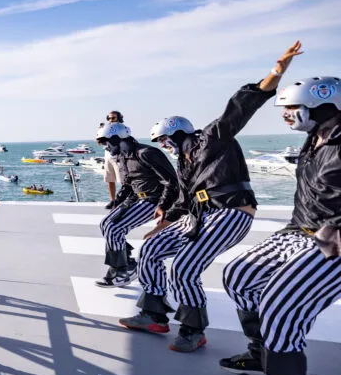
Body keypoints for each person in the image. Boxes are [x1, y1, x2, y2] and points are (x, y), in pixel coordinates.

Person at [119, 42, 303, 353]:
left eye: (164, 139)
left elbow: (241, 107)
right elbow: (185, 201)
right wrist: (165, 218)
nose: (163, 145)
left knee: (184, 267)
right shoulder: (184, 164)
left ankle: (193, 329)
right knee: (151, 248)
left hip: (232, 213)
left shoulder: (212, 137)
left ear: (179, 133)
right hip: (201, 218)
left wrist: (277, 72)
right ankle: (154, 315)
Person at [221, 65, 339, 375]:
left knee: (281, 299)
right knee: (240, 276)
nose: (287, 116)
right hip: (301, 228)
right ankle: (263, 351)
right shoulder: (317, 137)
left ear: (322, 106)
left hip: (334, 238)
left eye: (292, 108)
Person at [94, 122, 179, 287]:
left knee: (115, 228)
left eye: (106, 142)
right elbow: (128, 185)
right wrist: (117, 203)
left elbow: (172, 181)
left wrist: (163, 205)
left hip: (154, 199)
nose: (105, 147)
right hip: (137, 199)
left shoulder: (147, 153)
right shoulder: (122, 157)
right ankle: (128, 263)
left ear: (118, 138)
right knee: (106, 224)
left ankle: (122, 271)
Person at [103, 111, 126, 205]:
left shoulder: (123, 128)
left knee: (123, 181)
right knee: (109, 180)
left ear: (119, 118)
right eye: (109, 118)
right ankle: (113, 200)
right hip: (108, 155)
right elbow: (100, 142)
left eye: (113, 118)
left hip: (118, 156)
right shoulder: (105, 128)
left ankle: (124, 200)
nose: (110, 120)